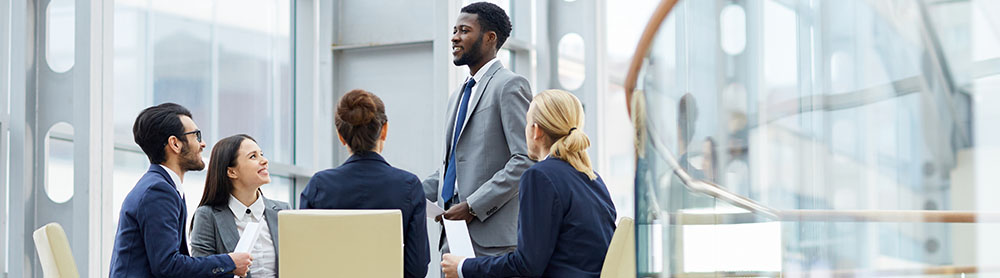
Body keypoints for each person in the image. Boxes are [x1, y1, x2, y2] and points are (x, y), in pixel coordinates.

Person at [441, 89, 618, 278]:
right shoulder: (594, 179)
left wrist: (463, 267)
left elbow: (527, 264)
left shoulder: (539, 177)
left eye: (526, 122)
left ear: (536, 130)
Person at [423, 1, 534, 259]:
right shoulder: (458, 95)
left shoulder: (509, 86)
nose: (454, 37)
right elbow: (454, 166)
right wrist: (409, 192)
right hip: (451, 235)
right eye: (454, 30)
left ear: (490, 38)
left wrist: (473, 207)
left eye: (464, 30)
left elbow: (525, 159)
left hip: (492, 243)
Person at [110, 103, 252, 277]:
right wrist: (229, 262)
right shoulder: (158, 191)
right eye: (196, 136)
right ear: (175, 144)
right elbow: (168, 266)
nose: (203, 144)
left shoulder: (162, 186)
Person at [299, 89, 429, 278]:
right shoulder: (408, 186)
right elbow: (416, 269)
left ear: (341, 136)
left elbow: (305, 258)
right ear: (384, 130)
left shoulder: (319, 185)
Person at [190, 134, 291, 278]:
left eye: (261, 154)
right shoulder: (208, 215)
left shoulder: (283, 211)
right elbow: (201, 272)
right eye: (253, 157)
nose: (264, 161)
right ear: (231, 171)